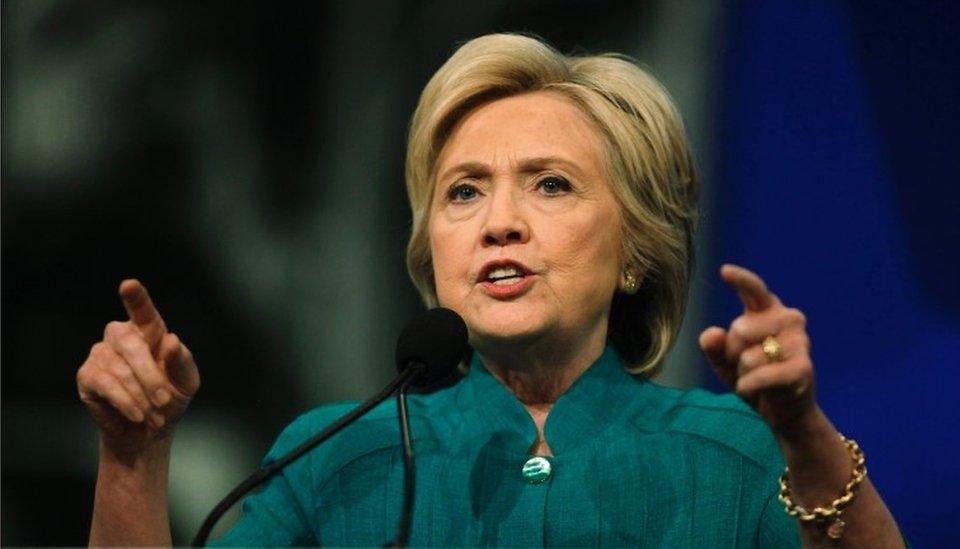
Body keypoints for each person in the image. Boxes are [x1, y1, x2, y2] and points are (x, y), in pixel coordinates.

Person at [77, 33, 904, 547]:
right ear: (430, 249)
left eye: (549, 185)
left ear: (633, 253)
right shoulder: (336, 461)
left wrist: (803, 434)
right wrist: (132, 457)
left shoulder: (735, 456)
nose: (498, 222)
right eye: (464, 192)